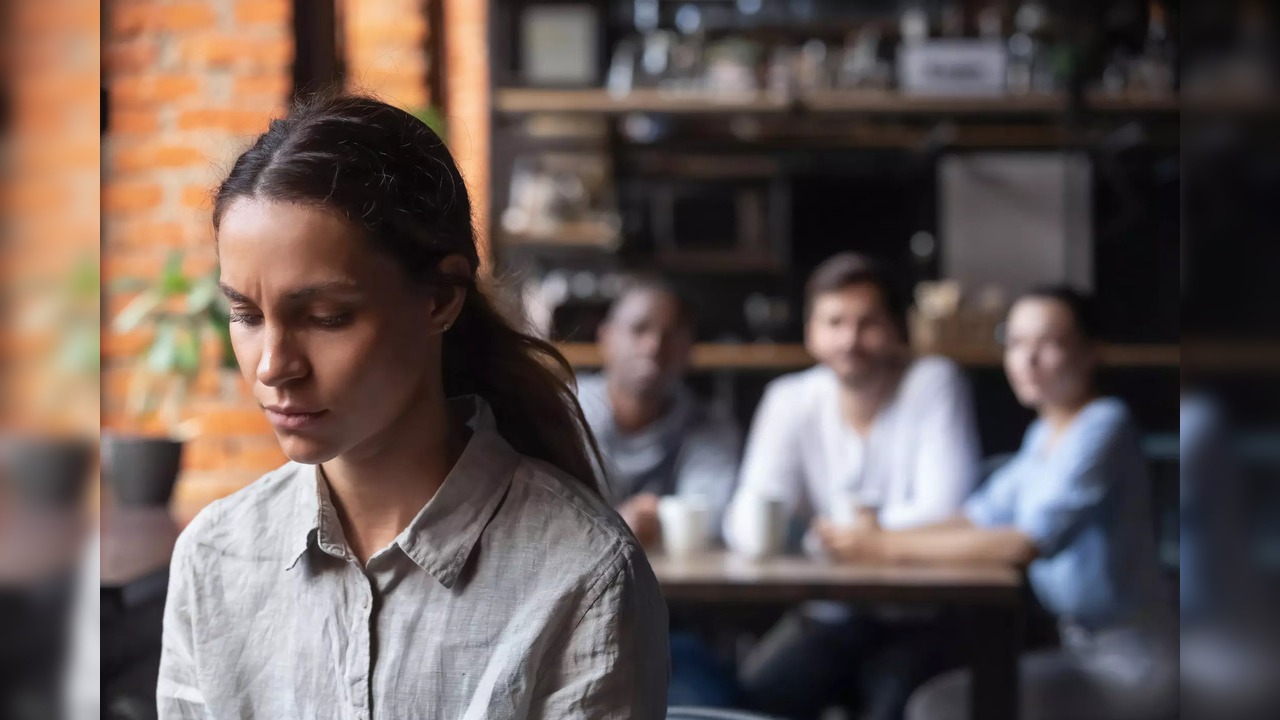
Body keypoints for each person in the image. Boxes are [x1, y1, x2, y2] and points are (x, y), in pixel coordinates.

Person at [157, 94, 669, 719]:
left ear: (440, 298)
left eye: (325, 318)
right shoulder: (215, 556)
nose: (272, 366)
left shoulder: (582, 575)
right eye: (246, 315)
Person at [817, 287, 1175, 720]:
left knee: (938, 707)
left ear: (1089, 353)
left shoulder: (1104, 425)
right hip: (1079, 650)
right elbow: (975, 516)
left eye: (1050, 344)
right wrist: (875, 536)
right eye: (1017, 342)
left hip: (1133, 665)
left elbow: (1023, 543)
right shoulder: (1042, 436)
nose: (1028, 360)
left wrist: (883, 547)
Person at [725, 253, 981, 720]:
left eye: (868, 322)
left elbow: (949, 509)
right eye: (834, 321)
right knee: (750, 704)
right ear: (810, 331)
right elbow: (748, 514)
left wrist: (834, 535)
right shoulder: (790, 398)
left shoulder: (934, 381)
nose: (849, 339)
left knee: (892, 705)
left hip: (922, 616)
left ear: (897, 328)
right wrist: (785, 527)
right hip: (830, 612)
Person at [576, 277, 742, 707]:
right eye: (639, 330)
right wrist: (624, 524)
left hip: (676, 625)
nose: (653, 347)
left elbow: (714, 516)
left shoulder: (709, 425)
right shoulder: (562, 411)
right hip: (574, 617)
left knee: (707, 702)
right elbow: (551, 516)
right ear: (606, 337)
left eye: (671, 335)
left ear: (689, 349)